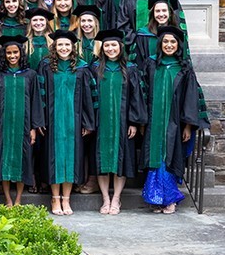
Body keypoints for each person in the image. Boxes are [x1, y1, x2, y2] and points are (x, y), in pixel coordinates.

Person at [140, 26, 207, 214]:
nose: (169, 45)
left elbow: (191, 99)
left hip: (174, 122)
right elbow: (142, 93)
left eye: (173, 42)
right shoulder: (151, 64)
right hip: (154, 122)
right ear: (160, 44)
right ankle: (154, 197)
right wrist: (142, 120)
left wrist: (187, 126)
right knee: (155, 156)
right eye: (166, 41)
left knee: (169, 155)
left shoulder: (184, 68)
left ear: (178, 45)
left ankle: (169, 198)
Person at [37, 30, 96, 216]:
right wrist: (39, 119)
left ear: (73, 47)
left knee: (71, 159)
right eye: (60, 45)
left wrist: (87, 122)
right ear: (54, 47)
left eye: (67, 45)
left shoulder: (82, 68)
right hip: (52, 121)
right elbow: (39, 95)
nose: (63, 48)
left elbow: (88, 97)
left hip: (74, 121)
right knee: (53, 159)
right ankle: (55, 199)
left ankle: (66, 199)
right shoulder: (45, 66)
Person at [90, 29, 145, 215]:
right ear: (102, 48)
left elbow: (136, 98)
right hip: (101, 123)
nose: (110, 48)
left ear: (120, 47)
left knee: (121, 162)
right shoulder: (95, 68)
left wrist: (133, 122)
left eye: (114, 45)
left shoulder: (130, 69)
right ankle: (105, 198)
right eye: (107, 46)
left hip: (122, 124)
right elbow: (89, 98)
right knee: (101, 161)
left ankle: (116, 198)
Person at [0, 36, 45, 207]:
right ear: (3, 54)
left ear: (21, 54)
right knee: (3, 161)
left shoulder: (31, 75)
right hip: (4, 126)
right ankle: (7, 200)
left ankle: (19, 199)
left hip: (24, 126)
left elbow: (36, 101)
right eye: (9, 53)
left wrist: (34, 127)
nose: (12, 56)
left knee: (23, 161)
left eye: (15, 52)